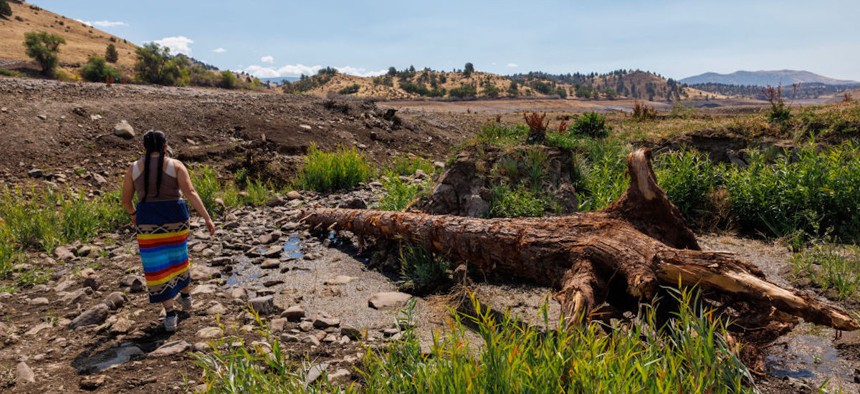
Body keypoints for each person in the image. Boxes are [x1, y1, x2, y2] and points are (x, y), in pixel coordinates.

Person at [121, 130, 216, 332]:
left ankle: (170, 313)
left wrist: (133, 215)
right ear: (166, 146)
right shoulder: (176, 165)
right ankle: (186, 295)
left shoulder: (133, 168)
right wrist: (207, 217)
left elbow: (126, 200)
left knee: (156, 265)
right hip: (175, 218)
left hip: (147, 219)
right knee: (179, 257)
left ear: (144, 147)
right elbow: (190, 193)